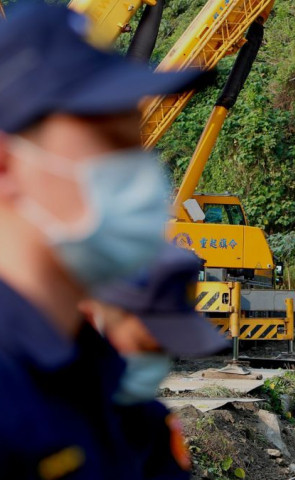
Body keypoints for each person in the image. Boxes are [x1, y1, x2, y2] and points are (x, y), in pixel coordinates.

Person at [0, 3, 206, 478]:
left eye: (136, 147)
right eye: (109, 144)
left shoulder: (105, 384)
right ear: (6, 165)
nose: (142, 177)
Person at [80, 245, 229, 479]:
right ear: (92, 315)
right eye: (146, 345)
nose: (156, 361)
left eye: (166, 349)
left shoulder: (151, 423)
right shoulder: (26, 411)